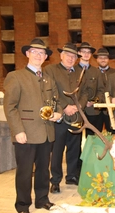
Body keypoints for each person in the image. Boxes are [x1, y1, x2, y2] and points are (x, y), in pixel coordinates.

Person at [3, 38, 62, 213]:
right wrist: (17, 130)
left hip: (46, 132)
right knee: (25, 172)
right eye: (34, 52)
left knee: (44, 169)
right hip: (26, 134)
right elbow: (10, 107)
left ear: (45, 57)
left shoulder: (48, 79)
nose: (38, 55)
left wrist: (58, 114)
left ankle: (42, 199)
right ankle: (22, 206)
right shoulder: (15, 76)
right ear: (27, 54)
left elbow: (56, 102)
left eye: (41, 53)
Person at [44, 43, 89, 193]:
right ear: (61, 55)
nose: (71, 58)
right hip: (59, 117)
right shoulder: (50, 70)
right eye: (68, 55)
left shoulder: (80, 72)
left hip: (76, 116)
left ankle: (72, 176)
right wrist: (64, 107)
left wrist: (78, 106)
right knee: (57, 151)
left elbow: (85, 93)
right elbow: (50, 91)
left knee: (74, 149)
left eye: (74, 56)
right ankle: (55, 181)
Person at [75, 42, 104, 136]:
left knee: (93, 138)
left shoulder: (96, 71)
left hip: (92, 111)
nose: (86, 54)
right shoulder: (73, 70)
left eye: (88, 52)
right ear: (79, 53)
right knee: (75, 140)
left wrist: (94, 101)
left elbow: (101, 89)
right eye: (83, 51)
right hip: (77, 110)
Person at [93, 47, 115, 131]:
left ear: (108, 59)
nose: (103, 60)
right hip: (95, 110)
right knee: (95, 135)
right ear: (97, 59)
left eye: (105, 58)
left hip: (111, 109)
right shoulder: (92, 72)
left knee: (113, 133)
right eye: (100, 57)